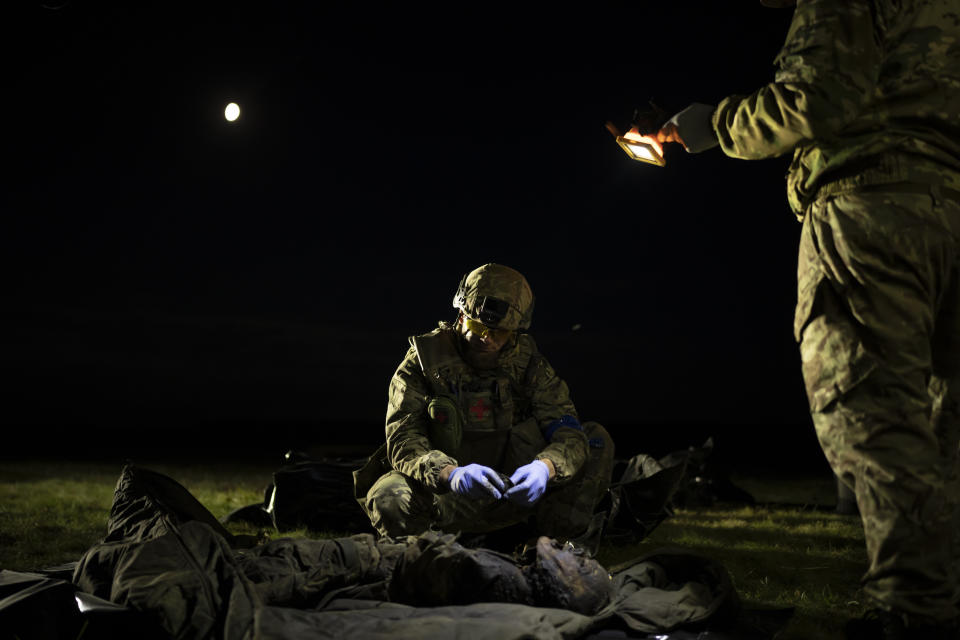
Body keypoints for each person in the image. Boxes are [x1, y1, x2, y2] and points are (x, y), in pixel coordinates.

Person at [647, 1, 960, 637]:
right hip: (948, 210)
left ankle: (917, 613)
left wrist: (716, 124)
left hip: (871, 211)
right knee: (944, 418)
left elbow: (814, 98)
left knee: (873, 410)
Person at [353, 263, 615, 549]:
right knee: (389, 495)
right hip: (448, 496)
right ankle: (418, 558)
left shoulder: (529, 366)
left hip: (513, 490)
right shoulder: (422, 364)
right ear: (461, 314)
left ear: (514, 331)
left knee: (595, 440)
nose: (486, 338)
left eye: (499, 332)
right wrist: (450, 475)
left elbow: (569, 432)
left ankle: (549, 547)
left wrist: (546, 467)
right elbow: (403, 440)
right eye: (477, 326)